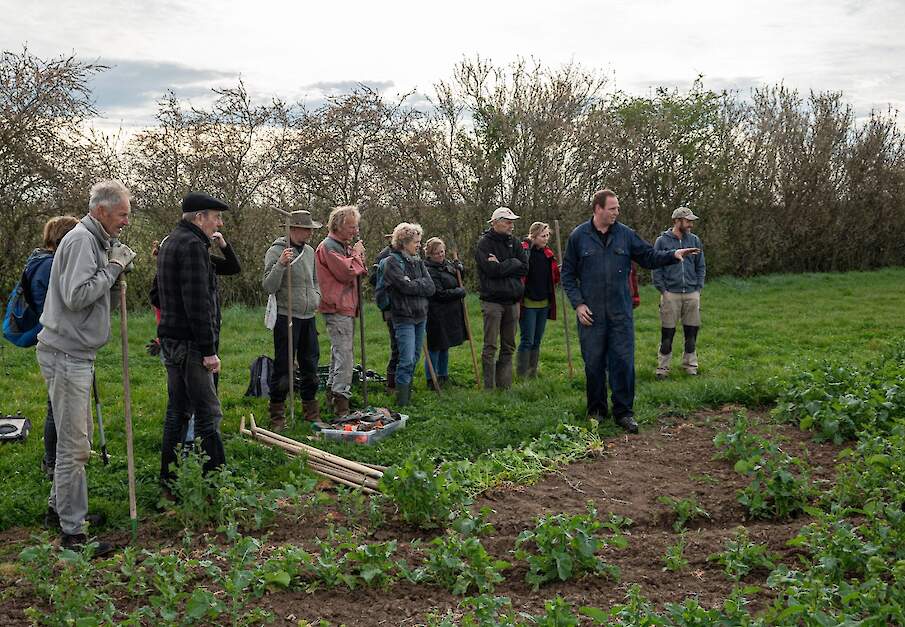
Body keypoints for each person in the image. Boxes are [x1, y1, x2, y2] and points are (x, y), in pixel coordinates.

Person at [36, 180, 135, 554]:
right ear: (101, 211)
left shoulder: (96, 240)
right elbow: (76, 297)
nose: (126, 221)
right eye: (123, 214)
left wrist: (113, 272)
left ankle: (58, 510)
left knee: (77, 439)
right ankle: (72, 533)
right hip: (66, 354)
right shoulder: (80, 241)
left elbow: (93, 296)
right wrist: (112, 268)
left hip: (77, 352)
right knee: (75, 447)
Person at [560, 189, 699, 434]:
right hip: (591, 315)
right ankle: (597, 412)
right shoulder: (579, 237)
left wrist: (673, 255)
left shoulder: (625, 235)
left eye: (617, 208)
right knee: (593, 364)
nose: (617, 212)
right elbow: (568, 275)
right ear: (598, 209)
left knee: (623, 363)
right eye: (612, 208)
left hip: (620, 313)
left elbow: (649, 256)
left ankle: (624, 413)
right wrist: (578, 304)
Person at [155, 192, 240, 497]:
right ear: (200, 217)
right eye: (215, 217)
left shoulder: (173, 242)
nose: (218, 223)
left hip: (172, 340)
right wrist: (208, 351)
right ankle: (216, 483)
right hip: (191, 345)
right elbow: (197, 305)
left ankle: (169, 482)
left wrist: (222, 244)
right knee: (208, 414)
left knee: (177, 411)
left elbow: (232, 269)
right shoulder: (191, 247)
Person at [20, 216, 81, 481]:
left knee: (57, 405)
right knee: (55, 406)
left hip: (59, 339)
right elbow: (55, 306)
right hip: (56, 340)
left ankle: (59, 458)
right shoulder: (47, 266)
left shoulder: (41, 261)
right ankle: (53, 461)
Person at [262, 210, 323, 429]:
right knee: (284, 368)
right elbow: (268, 286)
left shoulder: (309, 252)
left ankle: (311, 412)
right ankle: (277, 416)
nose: (309, 234)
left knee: (310, 365)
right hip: (286, 317)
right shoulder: (276, 251)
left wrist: (316, 298)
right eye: (306, 229)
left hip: (308, 316)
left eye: (310, 229)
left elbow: (315, 280)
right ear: (294, 229)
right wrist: (280, 265)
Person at [315, 205, 367, 417]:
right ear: (338, 225)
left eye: (356, 227)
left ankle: (333, 393)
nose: (355, 231)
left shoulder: (340, 246)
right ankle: (341, 400)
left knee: (339, 352)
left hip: (345, 305)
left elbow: (357, 269)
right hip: (336, 306)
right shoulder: (329, 247)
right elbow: (346, 272)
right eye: (351, 227)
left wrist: (355, 257)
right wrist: (356, 254)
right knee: (345, 355)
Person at [474, 207, 528, 390]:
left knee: (509, 345)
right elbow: (491, 271)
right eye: (507, 221)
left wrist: (506, 264)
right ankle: (489, 387)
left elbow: (524, 267)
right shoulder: (484, 244)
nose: (511, 225)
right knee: (490, 345)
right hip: (492, 301)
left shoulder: (516, 243)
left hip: (512, 301)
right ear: (495, 222)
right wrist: (513, 264)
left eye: (512, 222)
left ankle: (504, 386)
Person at [382, 223, 435, 405]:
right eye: (415, 242)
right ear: (404, 243)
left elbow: (430, 287)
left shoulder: (419, 261)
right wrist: (416, 284)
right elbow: (404, 287)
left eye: (419, 242)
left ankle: (407, 395)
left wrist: (414, 283)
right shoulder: (392, 263)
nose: (419, 245)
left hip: (421, 316)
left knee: (415, 358)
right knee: (406, 359)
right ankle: (402, 401)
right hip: (404, 317)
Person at [652, 207, 706, 378]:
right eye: (687, 221)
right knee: (667, 334)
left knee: (691, 333)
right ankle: (663, 369)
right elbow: (656, 266)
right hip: (670, 294)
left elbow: (701, 265)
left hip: (691, 293)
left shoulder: (695, 240)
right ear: (677, 221)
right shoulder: (662, 241)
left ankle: (690, 366)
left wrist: (698, 287)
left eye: (691, 221)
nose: (690, 224)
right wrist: (663, 290)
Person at [516, 222, 559, 379]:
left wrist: (557, 271)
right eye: (543, 236)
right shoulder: (525, 252)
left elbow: (553, 279)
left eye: (547, 235)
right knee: (527, 340)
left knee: (537, 340)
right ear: (533, 235)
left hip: (544, 303)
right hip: (528, 303)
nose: (546, 239)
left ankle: (532, 372)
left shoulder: (548, 254)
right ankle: (522, 373)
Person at [423, 237, 467, 389]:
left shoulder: (447, 265)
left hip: (451, 313)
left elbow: (458, 278)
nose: (440, 255)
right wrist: (459, 292)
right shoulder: (428, 270)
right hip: (436, 314)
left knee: (445, 345)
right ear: (429, 254)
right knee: (435, 346)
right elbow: (438, 293)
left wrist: (460, 269)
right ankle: (431, 379)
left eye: (442, 252)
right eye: (436, 253)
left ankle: (443, 375)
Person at [370, 234, 398, 392]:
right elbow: (374, 279)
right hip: (390, 306)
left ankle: (402, 382)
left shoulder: (410, 255)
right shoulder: (384, 256)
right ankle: (392, 383)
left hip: (407, 307)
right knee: (397, 345)